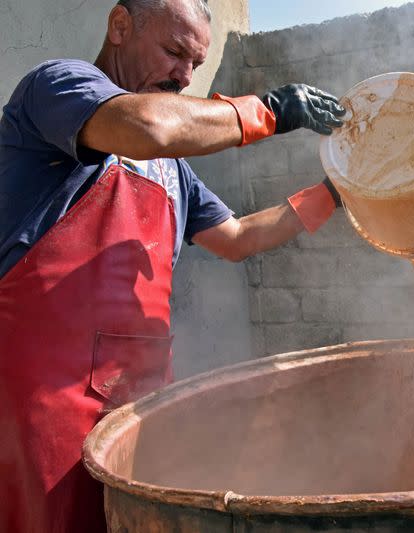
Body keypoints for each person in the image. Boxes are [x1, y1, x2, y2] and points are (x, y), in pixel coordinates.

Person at [0, 0, 347, 531]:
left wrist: (334, 195)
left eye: (195, 63)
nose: (185, 77)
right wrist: (268, 111)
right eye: (173, 52)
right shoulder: (60, 86)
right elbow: (147, 127)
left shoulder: (170, 171)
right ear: (120, 26)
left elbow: (236, 238)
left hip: (138, 400)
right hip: (45, 404)